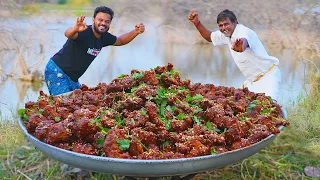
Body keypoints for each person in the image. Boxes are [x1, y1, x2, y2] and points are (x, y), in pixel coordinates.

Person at [44, 6, 145, 95]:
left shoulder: (104, 37)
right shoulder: (83, 31)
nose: (103, 23)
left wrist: (135, 32)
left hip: (73, 78)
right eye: (100, 20)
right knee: (64, 105)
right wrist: (75, 29)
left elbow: (120, 40)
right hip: (57, 70)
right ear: (93, 20)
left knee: (77, 104)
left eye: (107, 21)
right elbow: (68, 33)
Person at [188, 9, 281, 101]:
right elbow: (209, 37)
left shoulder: (243, 31)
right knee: (246, 109)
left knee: (272, 106)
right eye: (221, 25)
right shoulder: (226, 34)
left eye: (226, 24)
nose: (224, 28)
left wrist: (241, 47)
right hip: (252, 82)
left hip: (268, 76)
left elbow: (244, 41)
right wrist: (197, 23)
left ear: (235, 22)